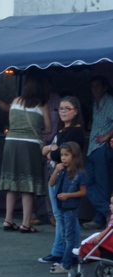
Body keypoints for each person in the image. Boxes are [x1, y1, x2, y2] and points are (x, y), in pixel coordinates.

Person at [0, 76, 52, 232]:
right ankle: (25, 223)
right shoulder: (42, 106)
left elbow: (11, 122)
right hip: (30, 145)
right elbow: (48, 129)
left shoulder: (15, 102)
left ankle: (8, 220)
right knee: (28, 184)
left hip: (11, 143)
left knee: (12, 182)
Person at [38, 96, 86, 264]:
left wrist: (51, 151)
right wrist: (50, 149)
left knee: (67, 217)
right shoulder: (61, 131)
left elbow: (58, 154)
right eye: (61, 109)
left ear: (76, 111)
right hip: (55, 174)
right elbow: (44, 149)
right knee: (59, 216)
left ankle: (71, 253)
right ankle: (59, 251)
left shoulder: (76, 131)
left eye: (67, 108)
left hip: (67, 178)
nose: (63, 112)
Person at [48, 142, 87, 274]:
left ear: (74, 156)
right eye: (62, 155)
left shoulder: (79, 173)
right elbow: (51, 183)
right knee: (64, 236)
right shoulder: (62, 171)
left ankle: (66, 264)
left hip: (70, 209)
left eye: (66, 155)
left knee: (69, 237)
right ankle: (64, 261)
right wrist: (56, 170)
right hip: (62, 207)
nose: (63, 158)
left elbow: (83, 192)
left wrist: (68, 195)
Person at [83, 76, 113, 229]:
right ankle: (105, 214)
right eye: (92, 86)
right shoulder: (96, 103)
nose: (94, 89)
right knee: (87, 182)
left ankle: (102, 217)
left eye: (97, 86)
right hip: (93, 147)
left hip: (102, 148)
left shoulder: (110, 101)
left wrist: (108, 136)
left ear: (105, 87)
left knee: (102, 185)